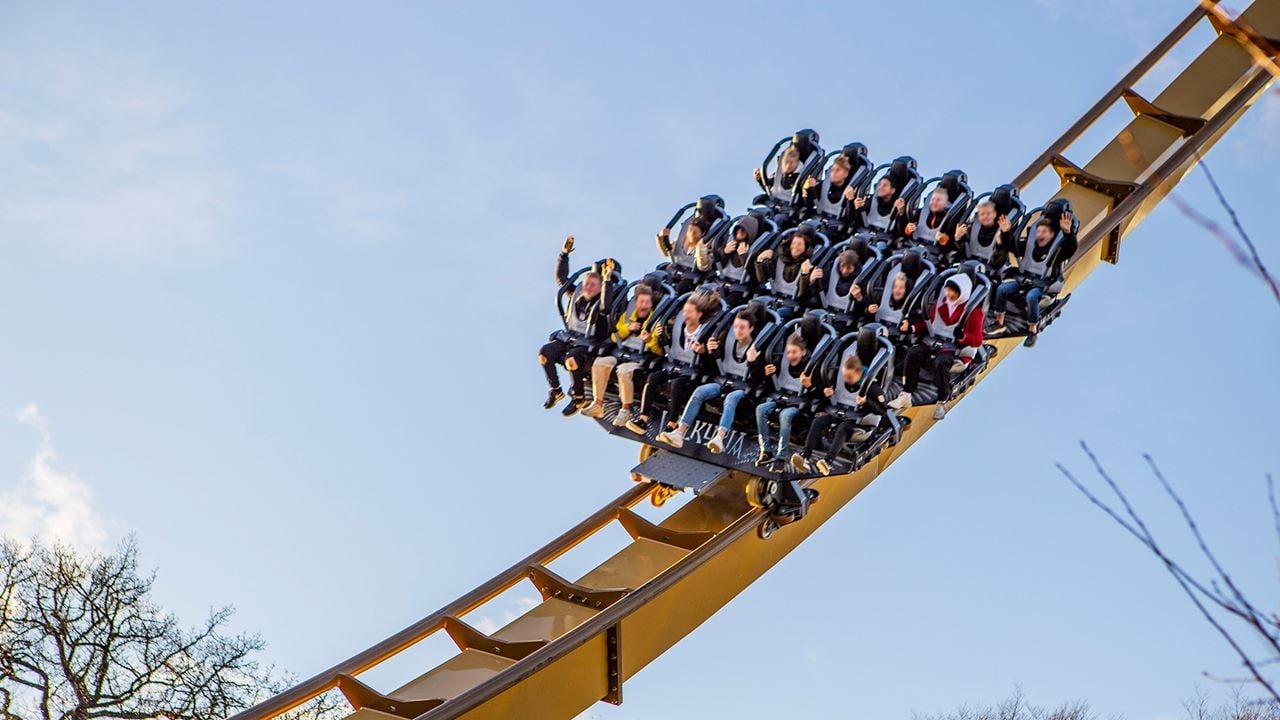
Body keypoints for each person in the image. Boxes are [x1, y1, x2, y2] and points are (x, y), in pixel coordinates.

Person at [657, 303, 768, 453]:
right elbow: (714, 367)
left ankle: (719, 438)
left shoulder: (759, 347)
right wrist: (709, 352)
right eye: (736, 327)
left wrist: (753, 362)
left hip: (744, 387)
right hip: (723, 380)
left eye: (742, 328)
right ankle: (679, 432)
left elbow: (759, 379)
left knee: (731, 399)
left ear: (751, 329)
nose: (738, 331)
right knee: (700, 391)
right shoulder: (726, 338)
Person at [889, 272, 983, 420]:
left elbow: (977, 340)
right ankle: (906, 394)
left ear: (962, 293)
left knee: (941, 362)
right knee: (913, 352)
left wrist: (963, 336)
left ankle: (942, 402)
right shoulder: (941, 304)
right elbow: (930, 324)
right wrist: (912, 328)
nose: (948, 294)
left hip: (957, 349)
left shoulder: (974, 312)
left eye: (953, 291)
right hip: (935, 342)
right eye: (947, 290)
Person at [627, 288, 721, 436]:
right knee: (653, 378)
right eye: (685, 311)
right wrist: (659, 338)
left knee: (676, 384)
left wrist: (703, 352)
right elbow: (668, 348)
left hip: (694, 372)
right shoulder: (678, 326)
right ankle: (643, 419)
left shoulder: (709, 332)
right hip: (676, 366)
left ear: (699, 314)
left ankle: (672, 424)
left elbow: (713, 364)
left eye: (689, 312)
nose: (685, 315)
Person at [538, 236, 615, 416]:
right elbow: (561, 279)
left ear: (600, 288)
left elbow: (605, 307)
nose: (588, 288)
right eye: (586, 284)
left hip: (590, 343)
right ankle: (556, 390)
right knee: (544, 354)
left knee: (571, 361)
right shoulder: (577, 293)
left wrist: (607, 280)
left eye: (593, 285)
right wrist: (564, 254)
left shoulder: (602, 301)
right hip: (571, 337)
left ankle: (578, 397)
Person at [989, 208, 1077, 347]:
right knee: (1002, 289)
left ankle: (1032, 330)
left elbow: (1071, 248)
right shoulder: (1030, 245)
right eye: (1038, 231)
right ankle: (999, 322)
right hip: (1024, 281)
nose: (1040, 234)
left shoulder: (1057, 252)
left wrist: (1067, 232)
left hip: (1043, 285)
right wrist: (1006, 232)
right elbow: (1012, 246)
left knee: (1031, 296)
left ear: (1051, 235)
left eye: (1044, 232)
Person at [792, 355, 888, 476]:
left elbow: (883, 411)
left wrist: (866, 402)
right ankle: (805, 456)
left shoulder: (873, 388)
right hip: (840, 414)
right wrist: (826, 393)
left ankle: (828, 461)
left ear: (858, 373)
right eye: (844, 376)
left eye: (849, 377)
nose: (846, 379)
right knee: (819, 421)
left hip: (861, 423)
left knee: (843, 427)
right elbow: (823, 397)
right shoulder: (840, 382)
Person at [583, 284, 663, 424]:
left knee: (623, 371)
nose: (643, 305)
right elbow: (615, 337)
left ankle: (626, 410)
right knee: (600, 363)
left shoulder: (656, 322)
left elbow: (660, 351)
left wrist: (649, 340)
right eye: (641, 302)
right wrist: (628, 328)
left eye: (647, 302)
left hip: (641, 357)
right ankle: (598, 404)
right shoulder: (628, 316)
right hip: (622, 351)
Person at [755, 331, 820, 470]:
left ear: (803, 352)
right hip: (780, 398)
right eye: (788, 352)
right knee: (760, 409)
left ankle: (781, 457)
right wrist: (767, 374)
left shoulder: (812, 368)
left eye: (794, 352)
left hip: (798, 404)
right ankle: (766, 450)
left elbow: (818, 395)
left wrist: (810, 386)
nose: (790, 356)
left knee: (785, 416)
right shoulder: (781, 362)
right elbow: (769, 383)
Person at [754, 225, 817, 306]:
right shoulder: (780, 257)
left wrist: (805, 274)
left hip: (794, 302)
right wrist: (759, 262)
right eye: (794, 243)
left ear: (806, 247)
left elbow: (804, 293)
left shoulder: (808, 264)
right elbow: (764, 279)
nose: (795, 247)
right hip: (774, 295)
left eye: (799, 244)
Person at [715, 214, 764, 306]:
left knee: (727, 303)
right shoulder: (729, 241)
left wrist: (743, 256)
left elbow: (756, 276)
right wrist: (724, 252)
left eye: (743, 230)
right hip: (723, 281)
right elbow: (718, 265)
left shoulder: (757, 248)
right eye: (738, 229)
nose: (740, 232)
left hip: (743, 288)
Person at [810, 243, 872, 315]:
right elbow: (817, 294)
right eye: (842, 266)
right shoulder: (830, 273)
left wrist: (859, 298)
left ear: (854, 268)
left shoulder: (862, 280)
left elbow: (864, 309)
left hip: (848, 315)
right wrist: (813, 282)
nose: (844, 271)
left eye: (849, 268)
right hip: (826, 308)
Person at [955, 200, 1015, 271]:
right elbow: (962, 250)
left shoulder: (1002, 230)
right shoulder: (971, 227)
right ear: (978, 216)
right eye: (982, 214)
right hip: (968, 265)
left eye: (988, 213)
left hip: (990, 269)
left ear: (994, 214)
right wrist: (958, 238)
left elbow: (998, 261)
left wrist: (1000, 242)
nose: (985, 216)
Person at [802, 154, 853, 227]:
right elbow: (809, 204)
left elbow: (850, 218)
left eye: (838, 170)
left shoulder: (851, 191)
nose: (833, 173)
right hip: (818, 219)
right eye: (832, 170)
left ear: (846, 173)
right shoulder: (824, 185)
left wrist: (850, 201)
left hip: (837, 225)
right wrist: (808, 189)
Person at [905, 187, 955, 254]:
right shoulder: (919, 213)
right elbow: (902, 233)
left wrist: (944, 239)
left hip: (934, 253)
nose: (934, 202)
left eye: (938, 200)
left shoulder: (951, 221)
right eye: (933, 199)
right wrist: (908, 230)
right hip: (913, 246)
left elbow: (954, 246)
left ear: (947, 204)